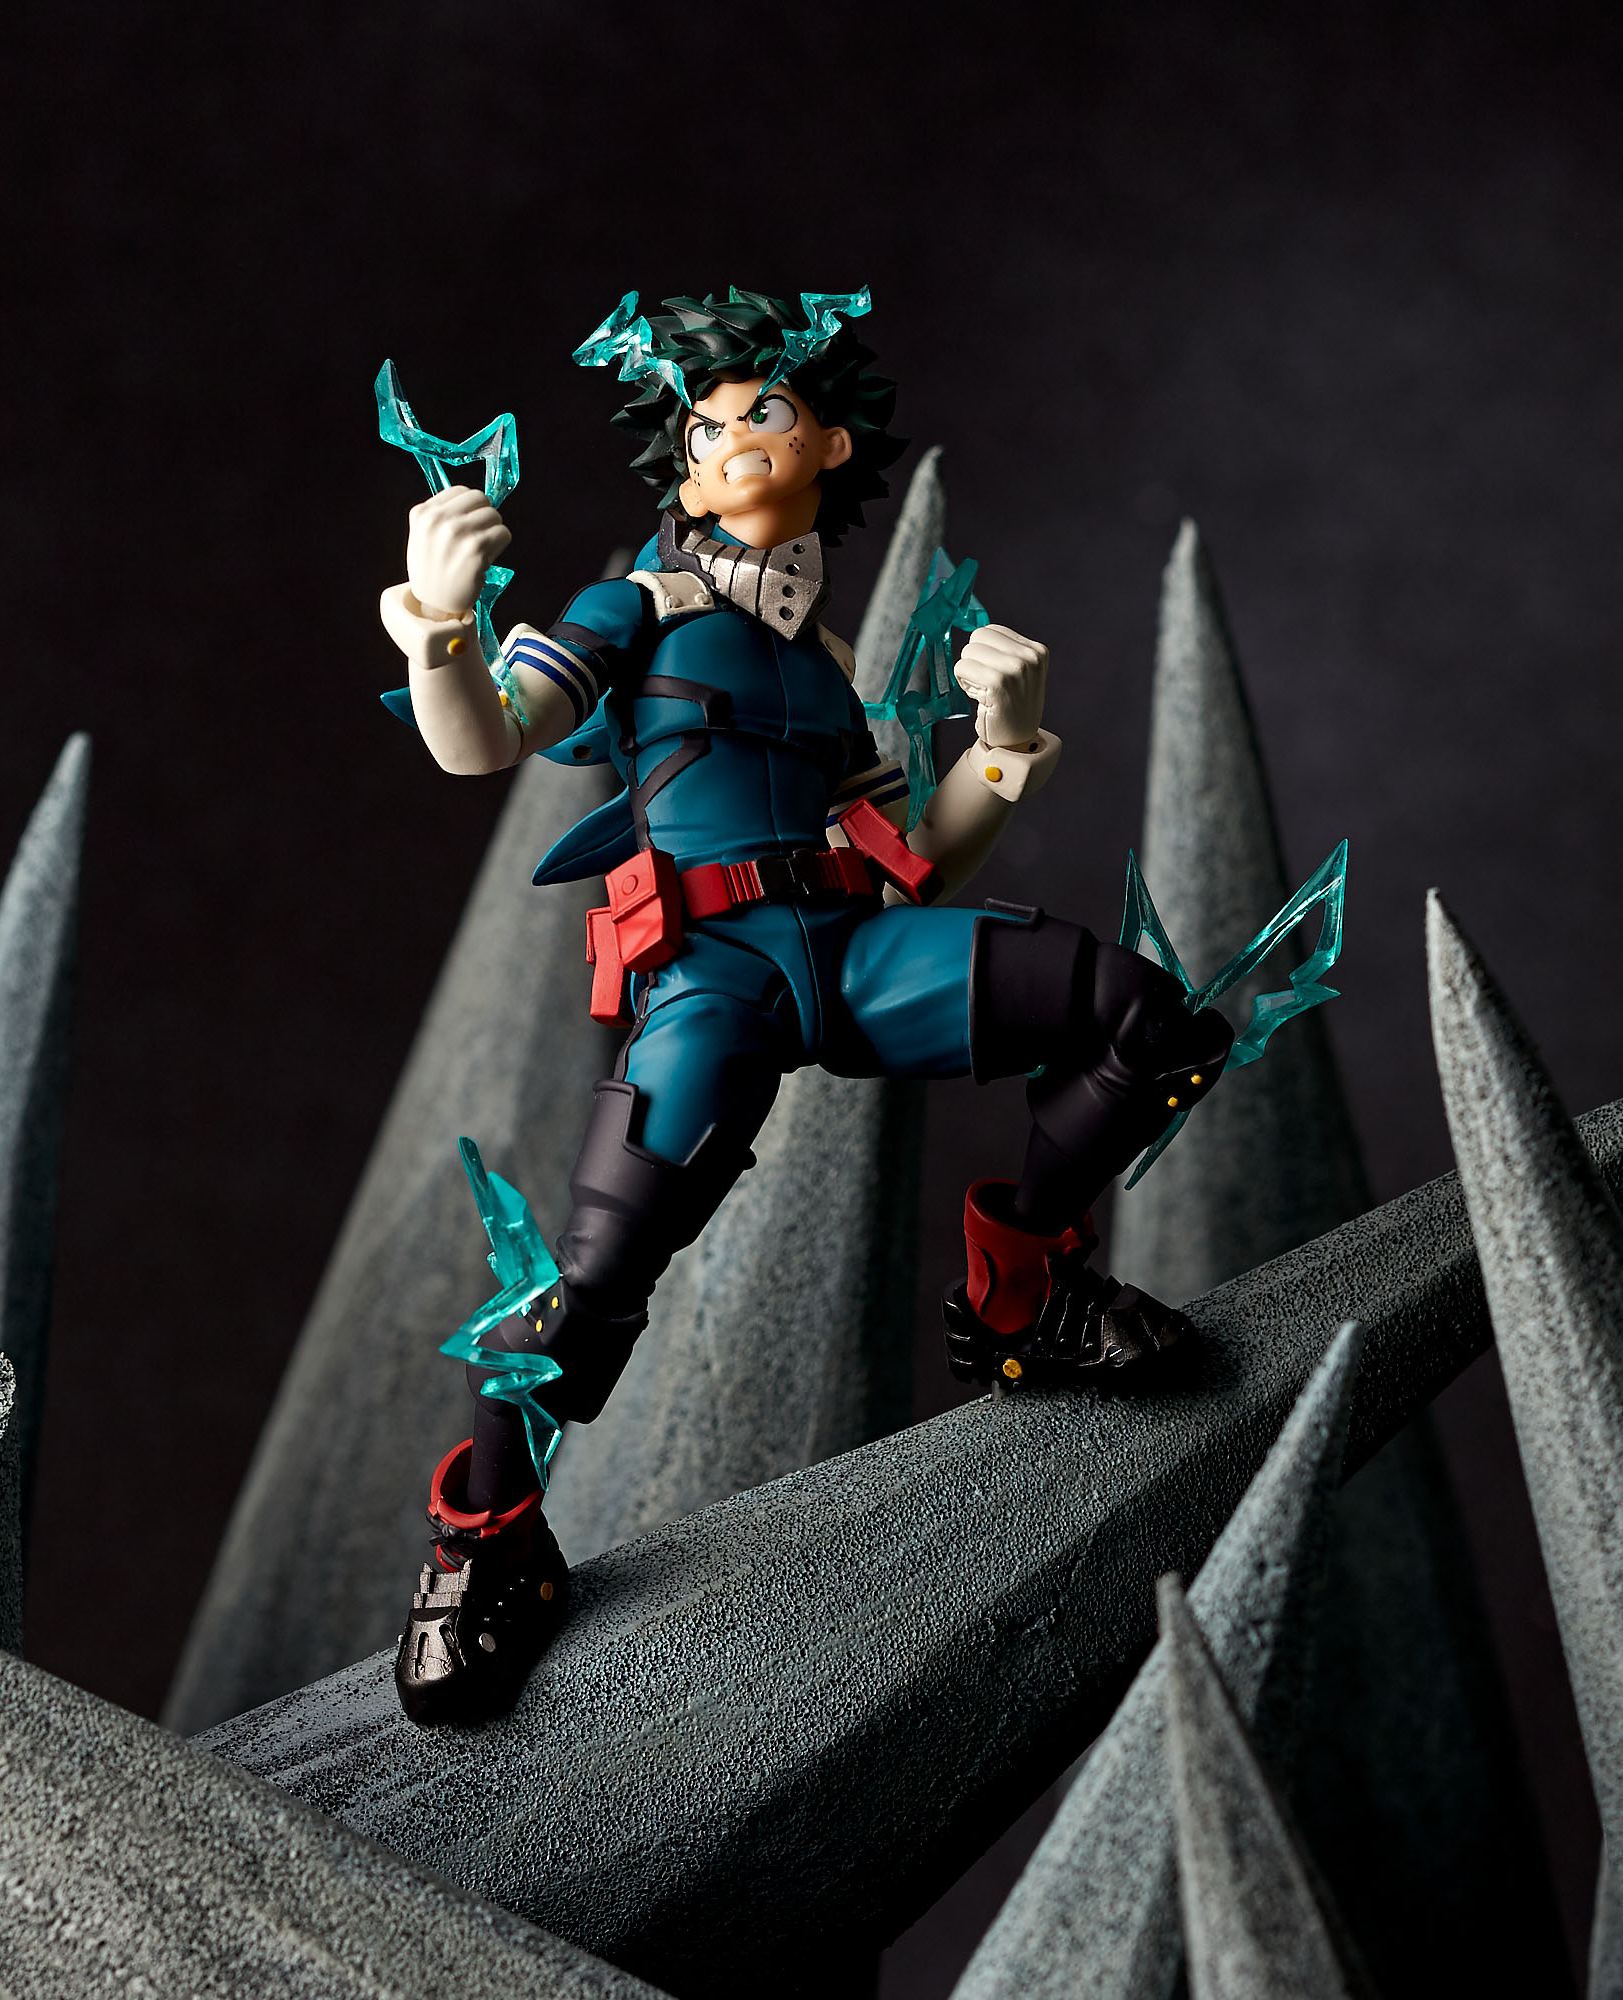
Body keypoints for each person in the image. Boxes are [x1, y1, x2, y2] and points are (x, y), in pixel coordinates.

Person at [376, 289, 1231, 1723]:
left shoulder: (821, 666)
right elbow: (483, 743)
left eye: (757, 413)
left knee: (1143, 1018)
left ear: (831, 441)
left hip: (846, 952)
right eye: (701, 430)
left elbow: (918, 858)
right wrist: (442, 623)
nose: (724, 443)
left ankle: (1022, 1299)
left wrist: (1007, 742)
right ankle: (484, 1548)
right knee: (586, 1284)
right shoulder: (636, 609)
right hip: (709, 977)